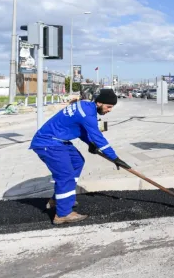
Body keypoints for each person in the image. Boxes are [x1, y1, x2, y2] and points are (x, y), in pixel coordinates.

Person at [30, 89, 128, 225]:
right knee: (65, 175)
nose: (109, 110)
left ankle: (59, 200)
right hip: (48, 143)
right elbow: (97, 136)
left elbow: (82, 130)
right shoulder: (87, 113)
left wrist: (90, 144)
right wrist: (114, 158)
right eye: (109, 106)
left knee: (77, 161)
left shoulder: (85, 107)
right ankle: (63, 214)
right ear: (99, 102)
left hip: (59, 141)